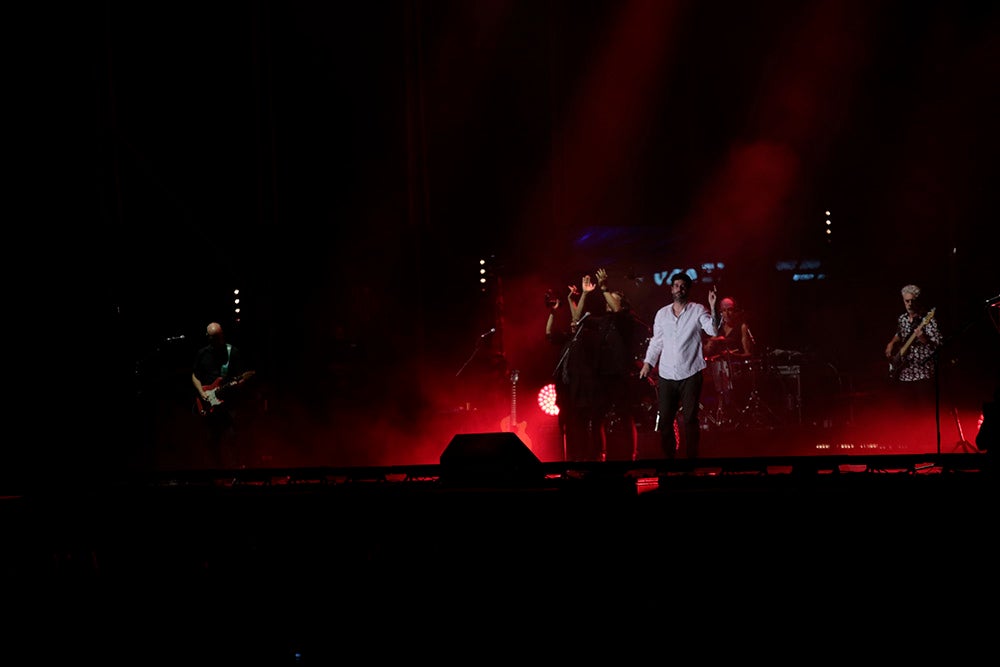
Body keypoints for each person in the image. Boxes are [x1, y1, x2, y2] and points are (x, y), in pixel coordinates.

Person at [638, 272, 718, 459]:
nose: (679, 289)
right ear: (671, 288)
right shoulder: (662, 314)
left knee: (690, 419)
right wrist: (648, 363)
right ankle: (669, 459)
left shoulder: (698, 310)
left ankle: (691, 460)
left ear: (687, 289)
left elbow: (712, 329)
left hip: (691, 371)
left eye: (683, 286)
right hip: (667, 374)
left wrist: (713, 307)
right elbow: (656, 342)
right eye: (676, 285)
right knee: (665, 420)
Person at [191, 321, 253, 468]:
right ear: (208, 337)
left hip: (228, 404)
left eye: (218, 337)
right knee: (211, 441)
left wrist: (238, 384)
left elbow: (241, 377)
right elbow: (195, 375)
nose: (216, 341)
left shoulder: (233, 352)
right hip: (209, 404)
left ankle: (235, 473)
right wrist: (201, 392)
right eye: (212, 338)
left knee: (232, 439)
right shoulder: (202, 353)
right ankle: (216, 474)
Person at [883, 284, 942, 408]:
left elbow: (937, 344)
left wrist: (923, 338)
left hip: (923, 373)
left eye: (912, 301)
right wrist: (892, 343)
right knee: (906, 411)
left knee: (925, 410)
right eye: (906, 301)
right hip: (905, 374)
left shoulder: (927, 319)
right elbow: (899, 333)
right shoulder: (902, 319)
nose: (909, 304)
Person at [703, 296, 755, 425]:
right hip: (718, 372)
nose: (726, 313)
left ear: (735, 311)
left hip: (737, 372)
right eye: (723, 310)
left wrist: (733, 356)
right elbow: (707, 351)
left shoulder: (741, 327)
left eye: (730, 310)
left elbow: (749, 354)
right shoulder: (717, 329)